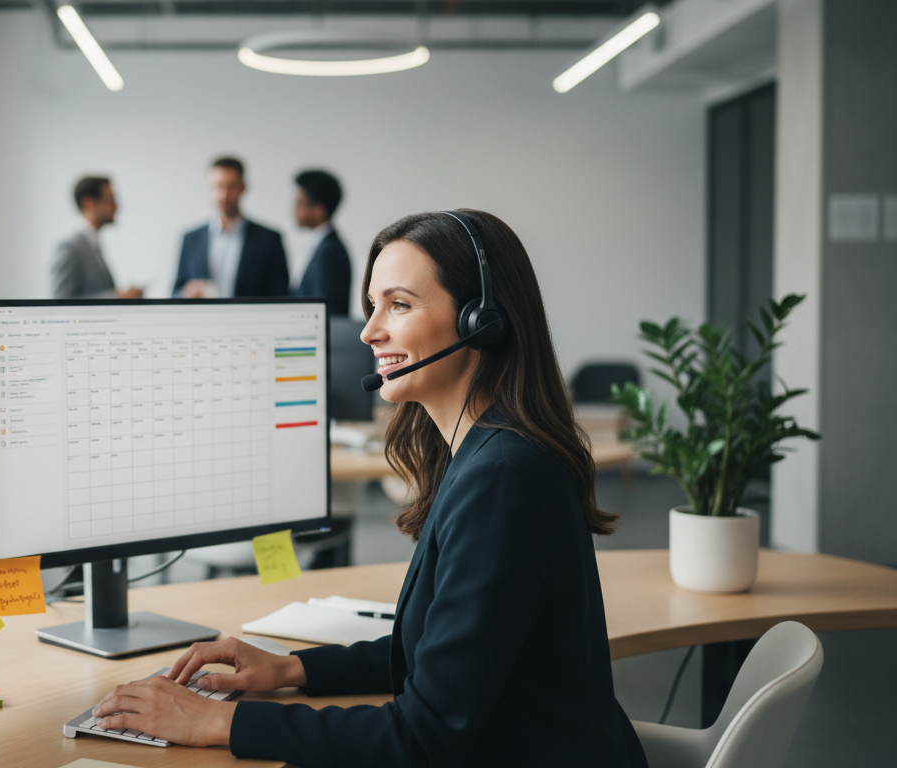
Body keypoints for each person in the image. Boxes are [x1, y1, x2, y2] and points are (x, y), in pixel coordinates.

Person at [89, 210, 649, 768]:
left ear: (482, 320)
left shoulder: (502, 477)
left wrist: (217, 720)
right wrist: (293, 669)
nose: (368, 331)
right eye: (372, 305)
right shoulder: (484, 454)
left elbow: (424, 736)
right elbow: (439, 653)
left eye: (399, 305)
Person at [174, 157, 288, 298]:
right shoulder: (191, 239)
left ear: (243, 187)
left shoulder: (269, 239)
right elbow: (175, 292)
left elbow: (282, 295)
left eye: (231, 187)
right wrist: (186, 294)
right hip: (204, 319)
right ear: (209, 188)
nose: (224, 195)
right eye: (218, 187)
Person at [51, 176, 142, 299]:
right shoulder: (69, 247)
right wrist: (116, 297)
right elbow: (61, 301)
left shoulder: (92, 243)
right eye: (110, 200)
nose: (116, 206)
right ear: (88, 203)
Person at [291, 169, 352, 318]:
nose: (294, 209)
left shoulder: (329, 253)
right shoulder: (322, 246)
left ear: (318, 210)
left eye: (300, 203)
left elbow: (325, 313)